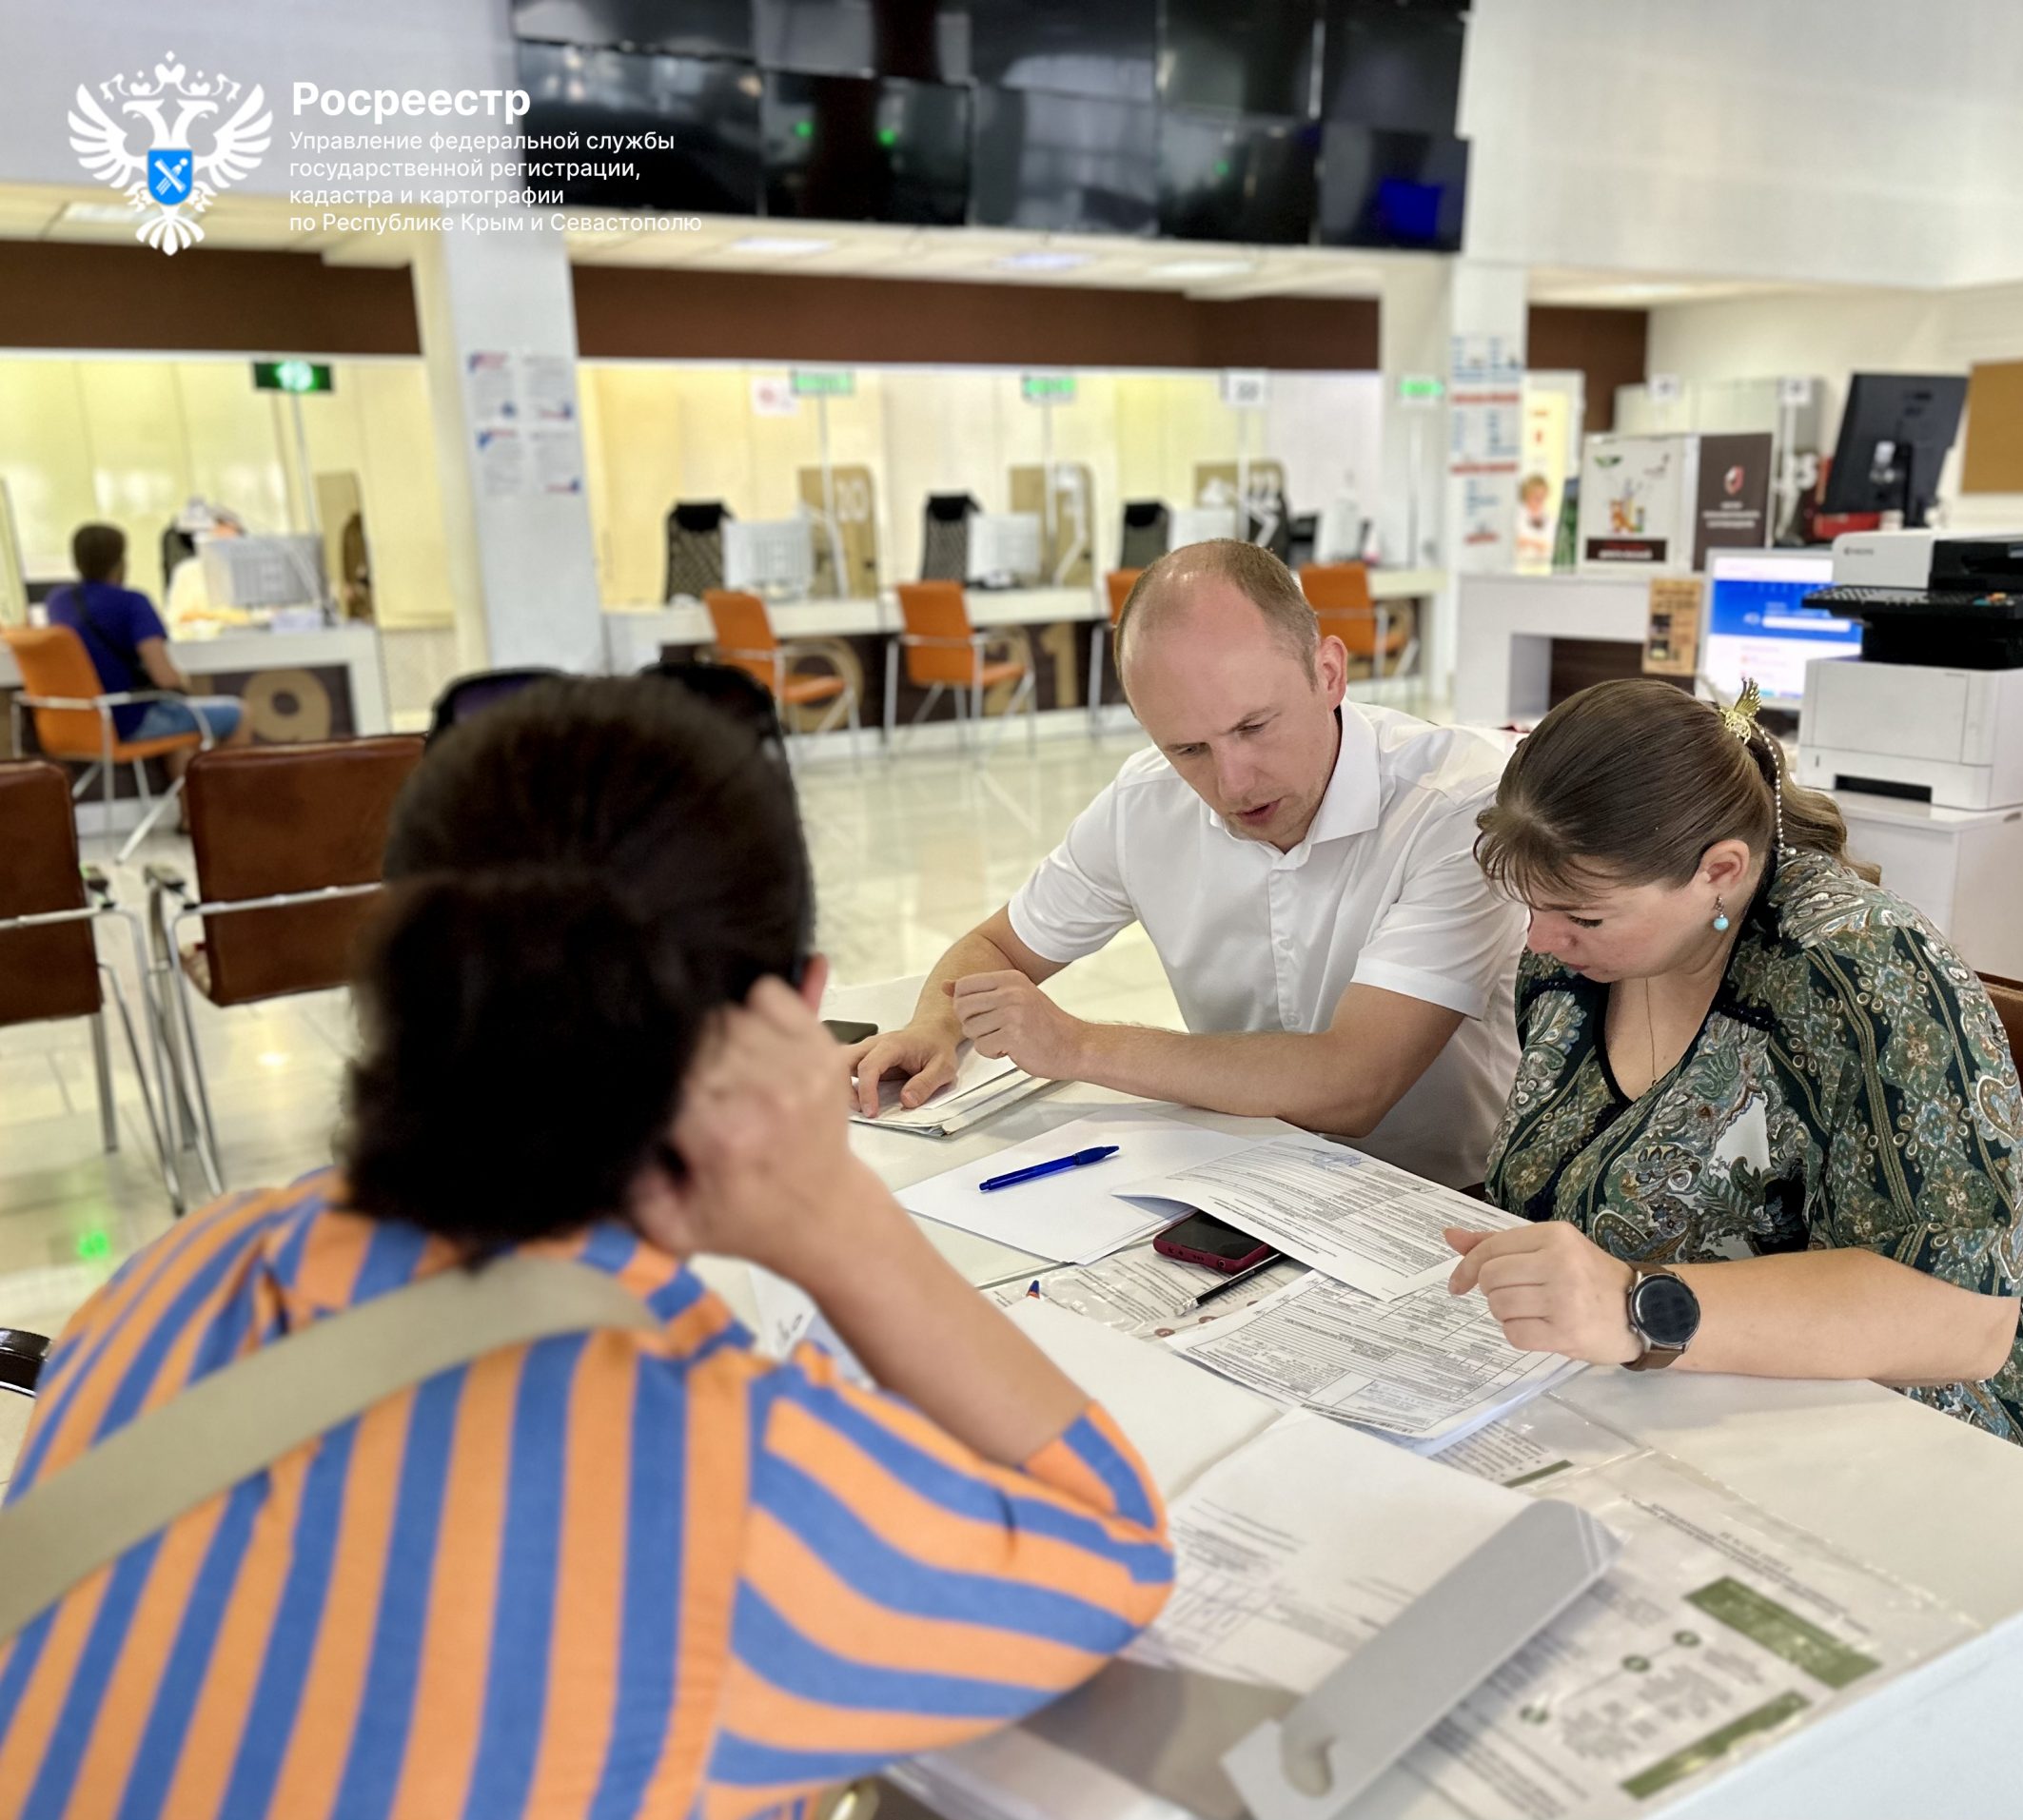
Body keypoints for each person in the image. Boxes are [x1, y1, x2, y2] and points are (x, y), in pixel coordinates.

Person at [0, 679, 1173, 1814]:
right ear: (792, 1009)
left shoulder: (175, 1273)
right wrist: (836, 1216)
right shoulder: (707, 1469)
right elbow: (1110, 1546)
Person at [1447, 678, 2023, 1470]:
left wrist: (1636, 1307)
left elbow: (1964, 1321)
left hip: (1930, 1446)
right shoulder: (1568, 972)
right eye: (1531, 905)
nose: (1542, 939)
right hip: (1666, 1408)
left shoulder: (1864, 974)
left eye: (1584, 916)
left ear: (1720, 871)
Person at [846, 539, 1524, 1187]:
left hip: (1442, 1197)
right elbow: (996, 946)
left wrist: (1076, 1044)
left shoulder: (1457, 806)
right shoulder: (1145, 802)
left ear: (1328, 673)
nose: (1234, 783)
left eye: (1254, 727)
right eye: (1188, 749)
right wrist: (932, 1024)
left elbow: (1354, 1083)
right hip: (1241, 1173)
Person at [46, 521, 250, 782]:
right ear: (121, 561)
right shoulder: (133, 603)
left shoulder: (58, 601)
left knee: (177, 728)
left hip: (69, 724)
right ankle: (224, 805)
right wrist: (183, 683)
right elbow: (165, 677)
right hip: (126, 722)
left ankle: (192, 814)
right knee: (240, 712)